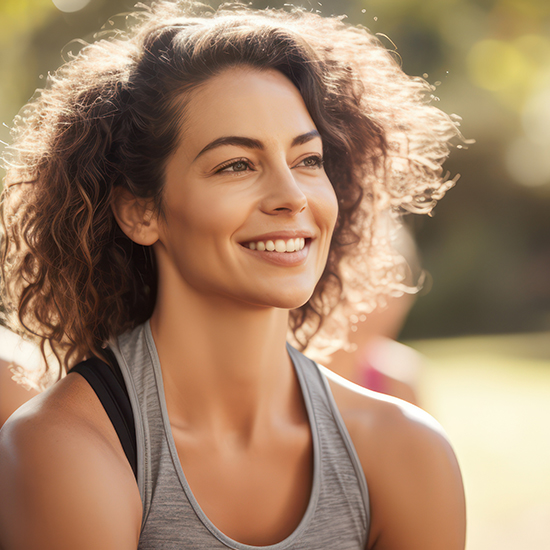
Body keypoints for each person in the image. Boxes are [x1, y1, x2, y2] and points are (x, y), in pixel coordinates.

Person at [0, 2, 466, 549]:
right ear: (141, 212)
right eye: (236, 165)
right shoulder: (61, 449)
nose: (292, 196)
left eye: (308, 160)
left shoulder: (407, 450)